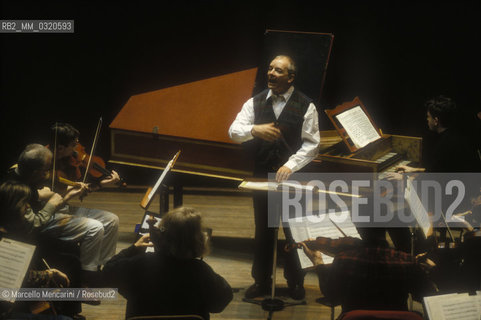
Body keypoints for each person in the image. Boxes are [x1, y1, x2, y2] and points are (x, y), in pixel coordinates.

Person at [228, 55, 320, 300]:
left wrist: (290, 165)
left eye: (278, 70)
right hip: (263, 177)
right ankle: (261, 280)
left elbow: (312, 144)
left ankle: (296, 282)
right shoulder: (255, 102)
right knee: (264, 230)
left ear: (290, 77)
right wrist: (253, 129)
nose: (271, 73)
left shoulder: (306, 105)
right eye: (269, 68)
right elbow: (233, 131)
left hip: (293, 179)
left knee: (295, 232)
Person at [6, 143, 117, 286]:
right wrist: (53, 203)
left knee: (111, 219)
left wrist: (72, 192)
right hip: (43, 220)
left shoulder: (26, 173)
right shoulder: (16, 190)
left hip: (54, 210)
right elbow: (33, 224)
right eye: (45, 171)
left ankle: (103, 269)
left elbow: (50, 194)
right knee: (95, 228)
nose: (48, 175)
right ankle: (88, 278)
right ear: (35, 173)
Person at [102, 207, 233, 320]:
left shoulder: (139, 265)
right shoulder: (201, 271)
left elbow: (108, 273)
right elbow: (219, 304)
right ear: (198, 241)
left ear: (160, 237)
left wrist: (133, 249)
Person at [299, 228, 436, 314]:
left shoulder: (344, 259)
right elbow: (427, 295)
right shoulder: (406, 261)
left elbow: (332, 297)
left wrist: (318, 261)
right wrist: (425, 270)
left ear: (358, 227)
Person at [0, 180, 74, 320]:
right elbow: (22, 279)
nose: (28, 207)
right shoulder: (6, 241)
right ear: (12, 207)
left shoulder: (9, 231)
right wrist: (49, 275)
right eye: (24, 203)